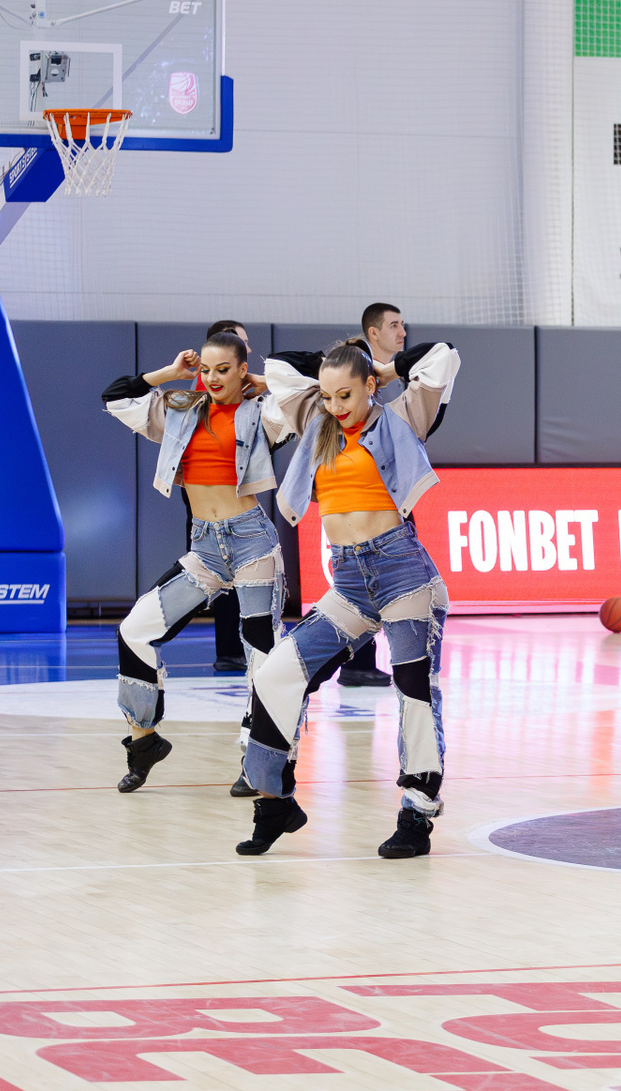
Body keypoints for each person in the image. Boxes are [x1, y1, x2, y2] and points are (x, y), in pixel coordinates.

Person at [236, 335, 459, 859]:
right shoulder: (316, 420)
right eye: (329, 395)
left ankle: (416, 813)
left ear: (370, 387)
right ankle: (274, 801)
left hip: (402, 572)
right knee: (275, 674)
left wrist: (382, 369)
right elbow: (281, 368)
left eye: (347, 395)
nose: (337, 406)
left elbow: (442, 356)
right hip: (350, 584)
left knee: (413, 689)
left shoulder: (403, 414)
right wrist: (333, 375)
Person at [101, 332, 286, 794]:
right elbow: (115, 397)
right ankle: (144, 742)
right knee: (135, 629)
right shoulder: (181, 411)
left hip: (252, 543)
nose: (212, 378)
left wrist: (263, 383)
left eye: (223, 369)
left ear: (242, 370)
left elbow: (312, 394)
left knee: (262, 656)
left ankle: (259, 764)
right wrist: (170, 374)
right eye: (205, 370)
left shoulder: (262, 413)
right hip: (204, 548)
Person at [330, 301, 451, 687]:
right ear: (373, 332)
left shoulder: (395, 383)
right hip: (359, 498)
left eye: (403, 325)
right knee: (369, 589)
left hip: (391, 498)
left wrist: (390, 370)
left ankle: (383, 665)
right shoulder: (344, 381)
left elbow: (445, 354)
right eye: (394, 325)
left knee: (395, 590)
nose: (402, 332)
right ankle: (359, 663)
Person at [203, 319, 257, 676]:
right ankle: (228, 650)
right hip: (210, 515)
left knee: (241, 581)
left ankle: (242, 650)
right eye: (242, 342)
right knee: (215, 580)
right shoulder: (197, 403)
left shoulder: (250, 403)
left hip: (240, 510)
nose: (248, 348)